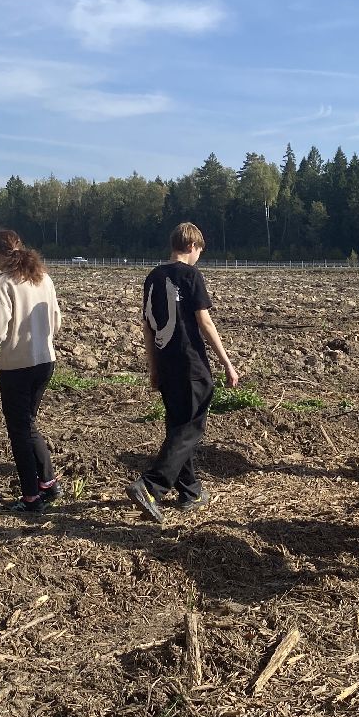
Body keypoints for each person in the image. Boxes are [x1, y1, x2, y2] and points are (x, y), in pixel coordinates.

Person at [128, 222, 240, 523]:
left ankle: (190, 491)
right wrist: (227, 363)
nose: (199, 256)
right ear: (192, 246)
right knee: (191, 429)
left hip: (167, 365)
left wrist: (154, 367)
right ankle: (150, 486)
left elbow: (148, 328)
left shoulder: (153, 277)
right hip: (191, 364)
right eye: (200, 250)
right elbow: (205, 323)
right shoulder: (191, 275)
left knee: (179, 429)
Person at [0, 230, 63, 513]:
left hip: (17, 366)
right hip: (45, 360)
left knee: (19, 430)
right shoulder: (42, 277)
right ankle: (48, 482)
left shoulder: (3, 282)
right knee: (28, 423)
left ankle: (31, 497)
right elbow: (56, 320)